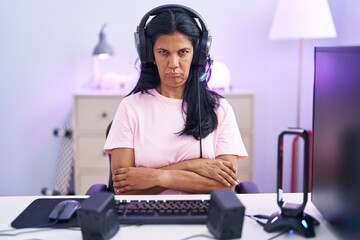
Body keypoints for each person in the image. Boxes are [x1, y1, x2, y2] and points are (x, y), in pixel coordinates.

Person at [104, 4, 248, 195]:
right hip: (144, 216)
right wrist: (196, 166)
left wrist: (155, 177)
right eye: (163, 52)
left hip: (206, 216)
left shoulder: (219, 108)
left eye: (182, 52)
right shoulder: (130, 107)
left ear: (197, 54)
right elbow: (124, 188)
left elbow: (225, 184)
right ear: (150, 54)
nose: (173, 64)